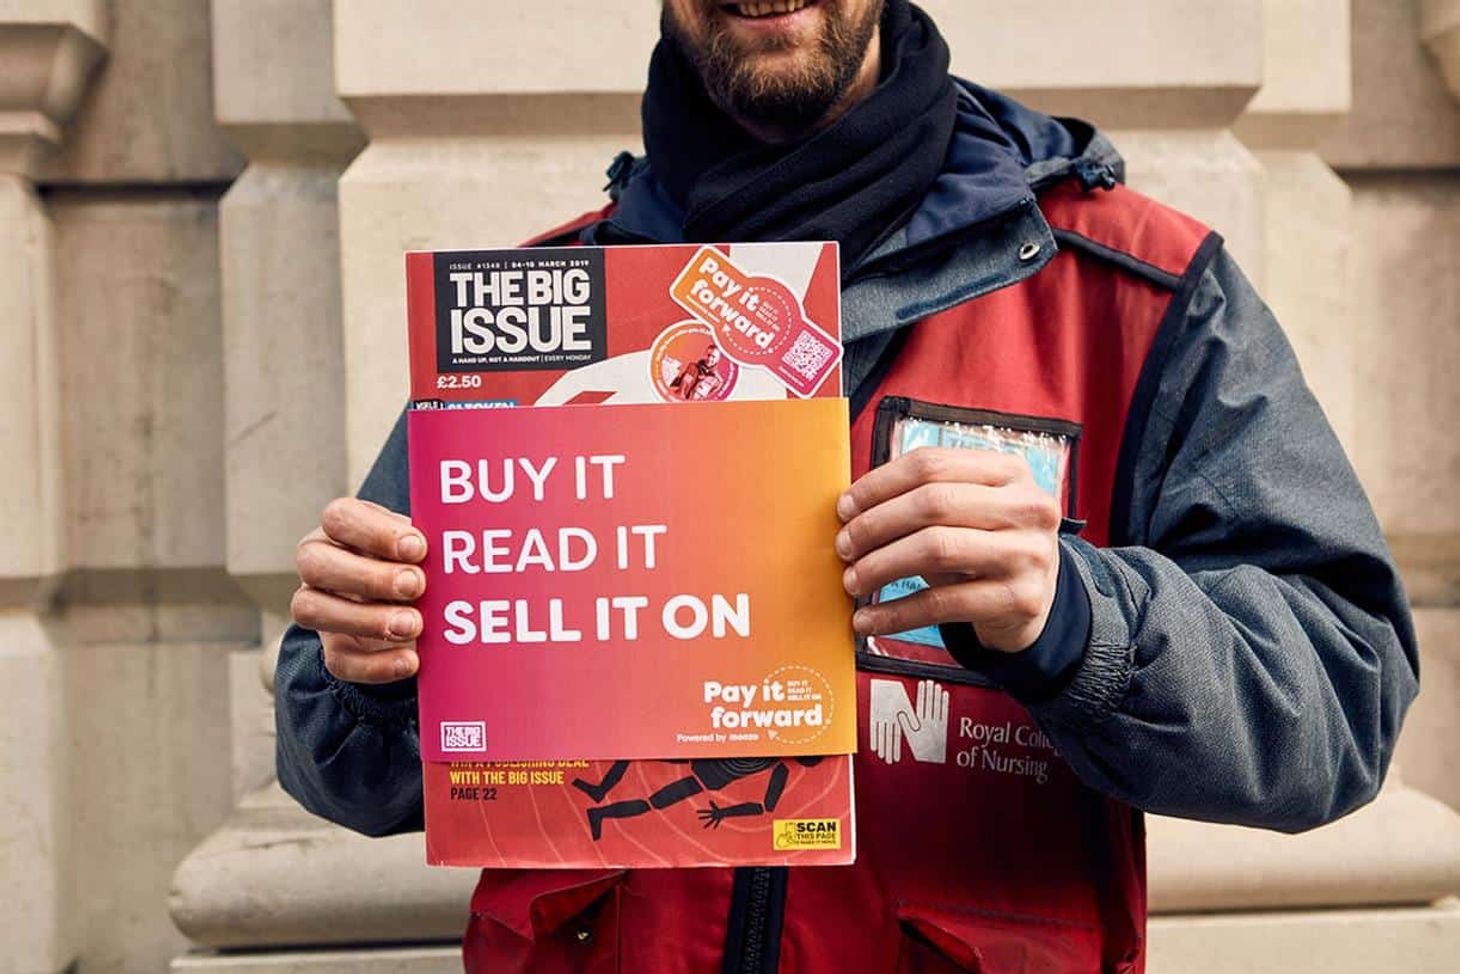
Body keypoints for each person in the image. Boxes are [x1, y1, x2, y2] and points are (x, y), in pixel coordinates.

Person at [277, 1, 1419, 970]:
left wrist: (1076, 616)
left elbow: (1344, 698)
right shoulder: (537, 317)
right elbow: (342, 762)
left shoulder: (1138, 292)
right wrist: (371, 670)